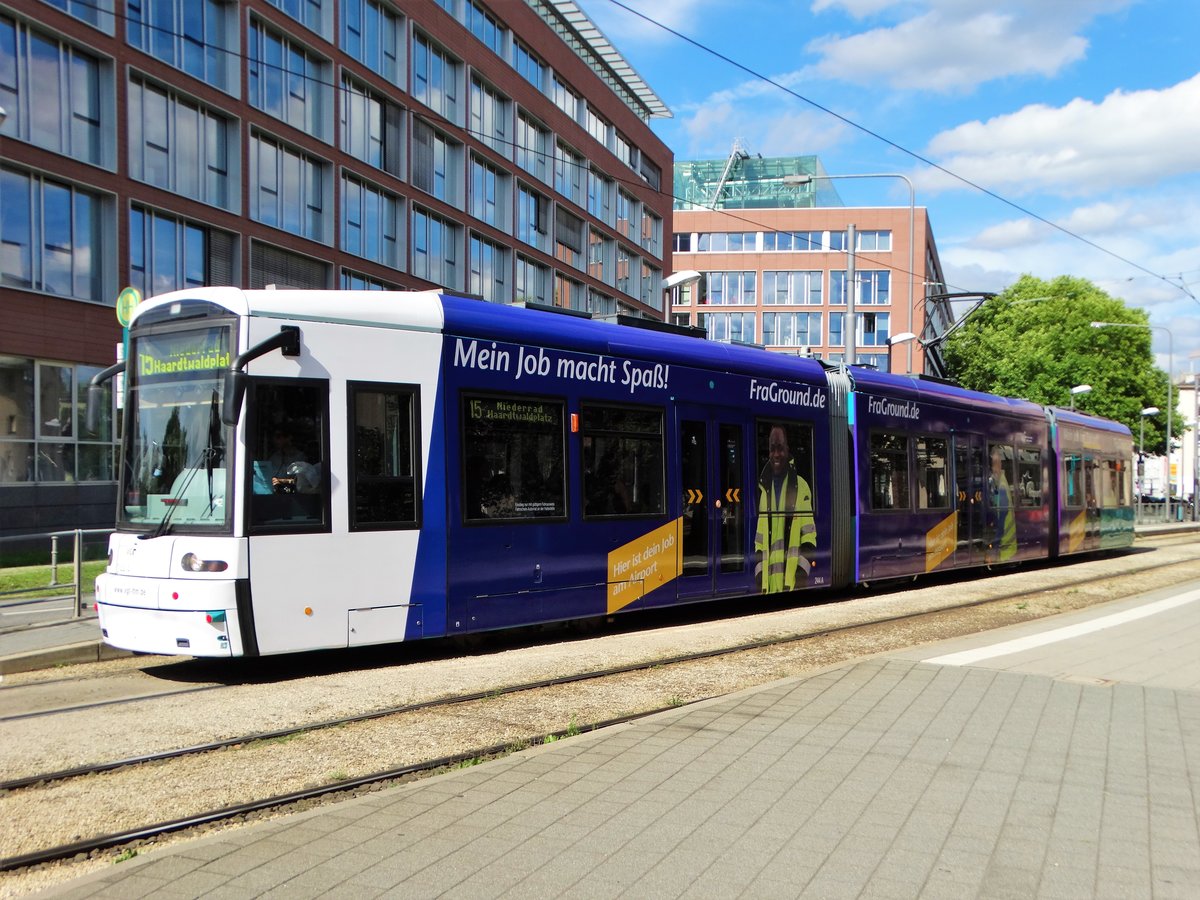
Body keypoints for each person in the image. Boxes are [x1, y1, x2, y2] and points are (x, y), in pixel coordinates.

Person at [755, 425, 816, 592]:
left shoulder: (801, 487)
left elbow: (809, 538)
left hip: (791, 584)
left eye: (780, 448)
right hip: (768, 588)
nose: (776, 454)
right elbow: (759, 542)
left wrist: (801, 575)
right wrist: (760, 576)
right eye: (772, 449)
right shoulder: (763, 489)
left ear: (787, 450)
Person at [987, 446, 1017, 562]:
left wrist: (996, 541)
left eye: (996, 463)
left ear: (1000, 464)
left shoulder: (1002, 486)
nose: (994, 468)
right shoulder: (998, 483)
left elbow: (1003, 514)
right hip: (1006, 545)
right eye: (993, 464)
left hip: (1006, 546)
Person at [267, 426, 309, 492]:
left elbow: (300, 482)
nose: (275, 440)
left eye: (278, 437)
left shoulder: (300, 457)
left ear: (289, 438)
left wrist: (280, 481)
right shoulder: (274, 457)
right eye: (274, 437)